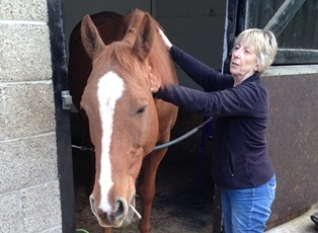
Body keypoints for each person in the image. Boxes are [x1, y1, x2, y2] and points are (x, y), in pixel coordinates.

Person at [150, 28, 278, 233]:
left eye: (247, 51)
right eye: (237, 47)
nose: (236, 54)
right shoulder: (233, 84)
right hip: (233, 184)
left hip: (250, 189)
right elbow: (206, 75)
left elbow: (210, 102)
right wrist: (170, 49)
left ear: (258, 63)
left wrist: (163, 89)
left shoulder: (252, 93)